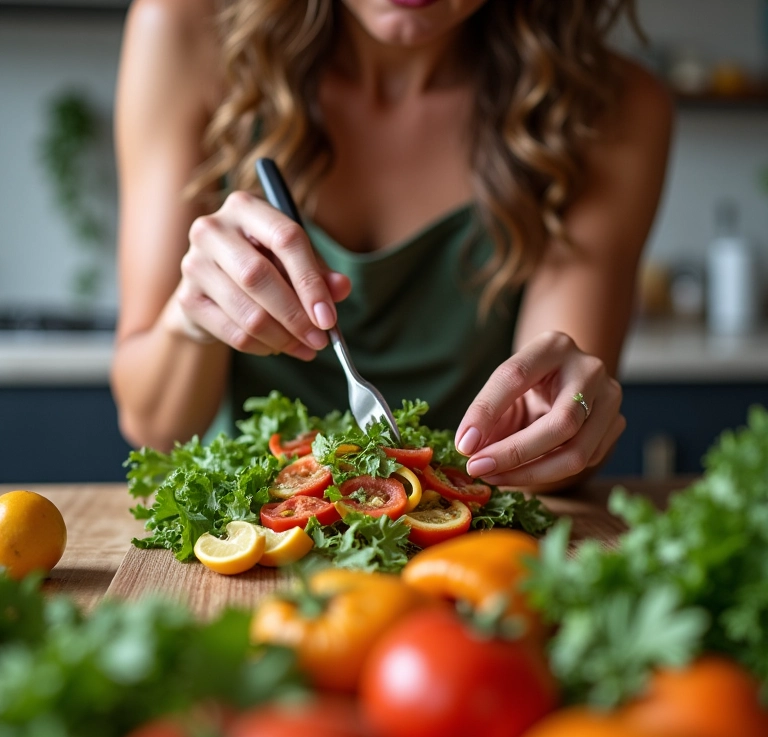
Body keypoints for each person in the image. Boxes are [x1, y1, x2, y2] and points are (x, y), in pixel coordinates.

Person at [110, 0, 673, 492]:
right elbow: (153, 426)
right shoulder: (184, 31)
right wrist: (190, 319)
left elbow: (554, 441)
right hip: (247, 549)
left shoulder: (613, 106)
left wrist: (562, 424)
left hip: (461, 539)